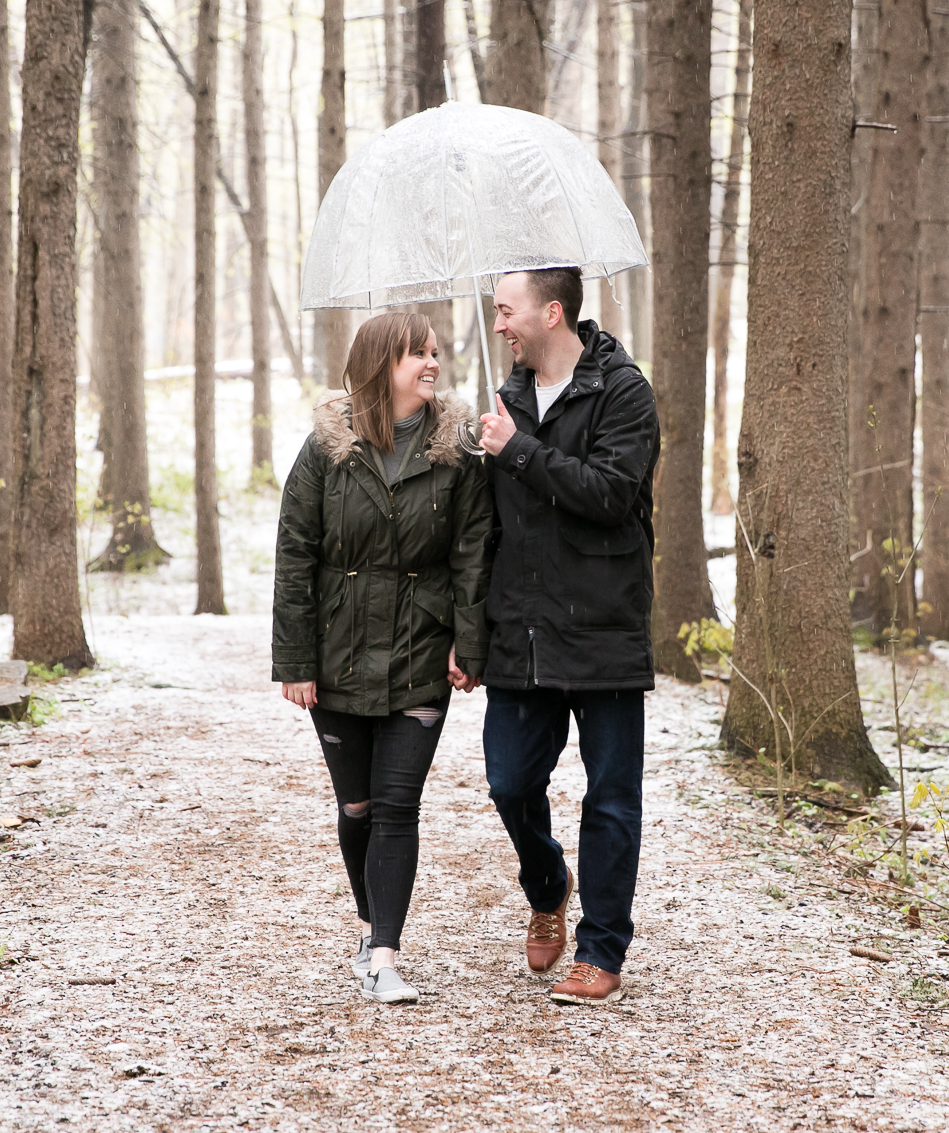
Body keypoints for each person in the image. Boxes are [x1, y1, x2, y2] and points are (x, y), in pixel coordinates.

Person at [272, 312, 490, 1004]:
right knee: (358, 804)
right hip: (338, 654)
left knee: (398, 805)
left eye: (434, 351)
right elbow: (294, 556)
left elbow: (472, 555)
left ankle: (384, 955)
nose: (432, 362)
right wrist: (295, 660)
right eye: (416, 354)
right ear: (378, 366)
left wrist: (469, 640)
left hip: (420, 650)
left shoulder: (458, 453)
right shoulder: (324, 452)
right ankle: (371, 926)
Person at [476, 267, 660, 1005]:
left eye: (506, 311)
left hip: (606, 625)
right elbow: (485, 528)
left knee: (611, 795)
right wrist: (472, 632)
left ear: (551, 312)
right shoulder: (507, 395)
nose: (499, 326)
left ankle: (602, 949)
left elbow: (612, 495)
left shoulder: (623, 390)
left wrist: (518, 449)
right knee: (509, 780)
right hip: (521, 633)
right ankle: (549, 885)